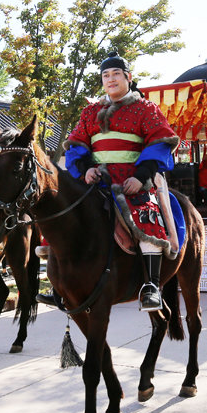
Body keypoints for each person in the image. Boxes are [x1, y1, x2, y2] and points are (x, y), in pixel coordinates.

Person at [62, 51, 180, 311]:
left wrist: (141, 177)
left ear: (128, 77)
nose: (111, 79)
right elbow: (76, 145)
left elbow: (159, 143)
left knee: (145, 216)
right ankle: (61, 283)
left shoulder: (145, 108)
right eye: (106, 75)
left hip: (134, 179)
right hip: (96, 179)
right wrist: (84, 170)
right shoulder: (90, 111)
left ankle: (151, 286)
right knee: (67, 216)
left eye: (116, 74)